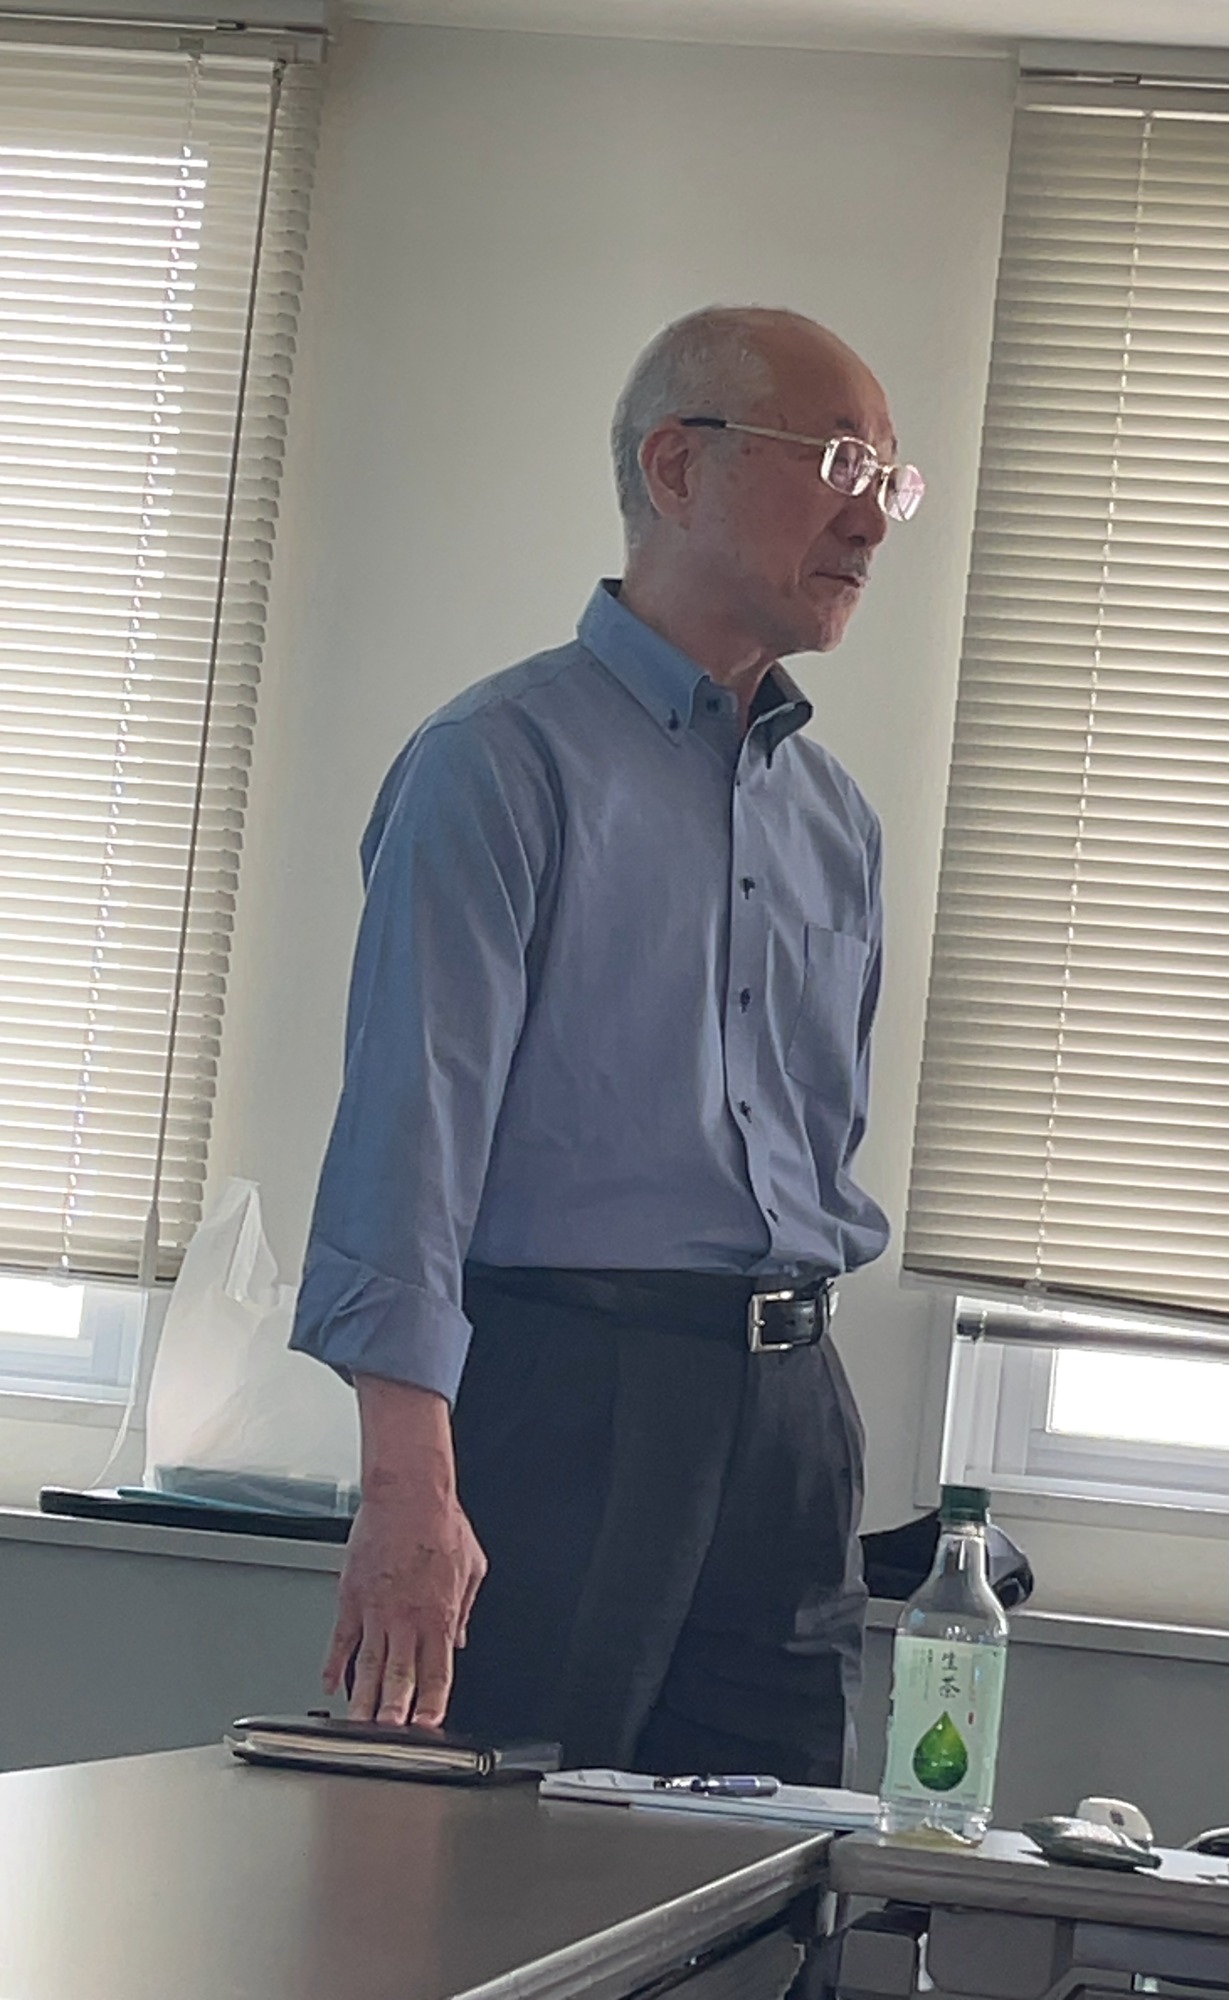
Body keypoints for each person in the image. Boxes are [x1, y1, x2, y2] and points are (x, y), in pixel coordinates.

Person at [289, 305, 924, 1783]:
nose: (872, 519)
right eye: (838, 462)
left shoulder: (835, 823)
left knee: (772, 1873)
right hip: (566, 1398)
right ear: (676, 466)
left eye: (891, 481)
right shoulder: (496, 764)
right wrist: (405, 1484)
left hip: (791, 1415)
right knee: (488, 1862)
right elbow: (409, 1137)